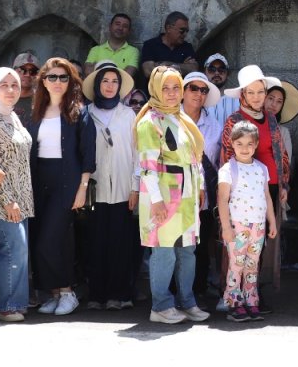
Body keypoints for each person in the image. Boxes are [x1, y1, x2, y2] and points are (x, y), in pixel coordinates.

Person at [135, 67, 209, 324]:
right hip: (164, 195)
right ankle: (161, 306)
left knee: (187, 250)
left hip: (187, 194)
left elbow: (194, 157)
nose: (171, 93)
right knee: (164, 251)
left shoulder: (181, 118)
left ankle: (187, 302)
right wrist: (156, 200)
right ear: (155, 89)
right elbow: (147, 166)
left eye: (175, 87)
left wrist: (200, 187)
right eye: (165, 88)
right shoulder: (149, 122)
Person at [220, 66, 292, 299]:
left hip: (268, 187)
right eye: (251, 92)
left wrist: (284, 185)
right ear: (243, 94)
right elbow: (226, 156)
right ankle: (231, 295)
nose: (257, 97)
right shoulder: (235, 120)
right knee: (235, 247)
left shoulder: (270, 119)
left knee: (259, 246)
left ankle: (252, 295)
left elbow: (280, 153)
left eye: (260, 92)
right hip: (241, 191)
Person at [27, 57, 87, 317]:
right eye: (52, 77)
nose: (58, 82)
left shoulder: (79, 112)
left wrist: (82, 188)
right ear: (43, 81)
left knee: (49, 240)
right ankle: (53, 292)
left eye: (64, 77)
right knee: (45, 237)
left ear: (71, 81)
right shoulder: (36, 111)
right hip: (39, 181)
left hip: (68, 182)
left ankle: (67, 291)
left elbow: (88, 155)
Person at [80, 62, 140, 311]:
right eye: (105, 80)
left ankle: (120, 293)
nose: (110, 85)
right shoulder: (86, 113)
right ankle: (96, 293)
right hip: (95, 188)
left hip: (124, 187)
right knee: (95, 242)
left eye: (115, 81)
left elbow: (138, 153)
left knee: (121, 243)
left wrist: (135, 187)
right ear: (96, 84)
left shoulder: (128, 115)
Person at [0, 68, 34, 322]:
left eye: (14, 85)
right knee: (11, 248)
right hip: (2, 199)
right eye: (4, 85)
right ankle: (5, 305)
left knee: (18, 248)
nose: (11, 90)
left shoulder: (12, 116)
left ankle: (16, 302)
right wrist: (7, 199)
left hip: (21, 196)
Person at [218, 122, 278, 323]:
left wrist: (272, 222)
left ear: (256, 145)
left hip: (258, 226)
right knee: (236, 265)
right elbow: (222, 200)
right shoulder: (228, 170)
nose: (245, 148)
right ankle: (234, 303)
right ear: (232, 144)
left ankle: (251, 301)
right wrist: (226, 227)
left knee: (252, 265)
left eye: (249, 144)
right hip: (238, 226)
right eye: (240, 143)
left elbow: (267, 197)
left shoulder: (261, 169)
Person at [181, 70, 223, 303]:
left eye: (203, 90)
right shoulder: (169, 121)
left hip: (203, 198)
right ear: (183, 92)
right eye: (193, 88)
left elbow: (218, 163)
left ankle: (197, 290)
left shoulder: (215, 127)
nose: (198, 93)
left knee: (201, 245)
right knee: (176, 248)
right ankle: (175, 292)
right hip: (175, 196)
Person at [140, 11, 198, 78]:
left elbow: (193, 69)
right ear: (169, 28)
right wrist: (182, 66)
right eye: (182, 30)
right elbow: (148, 71)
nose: (185, 34)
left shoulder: (187, 47)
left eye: (186, 31)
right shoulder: (150, 45)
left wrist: (166, 64)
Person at [202, 53, 240, 125]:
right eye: (212, 69)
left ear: (227, 73)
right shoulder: (199, 99)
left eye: (221, 70)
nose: (216, 73)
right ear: (205, 72)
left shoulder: (237, 101)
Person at [12, 52, 40, 124]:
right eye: (22, 70)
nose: (27, 75)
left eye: (33, 71)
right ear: (13, 71)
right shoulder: (2, 98)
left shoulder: (41, 101)